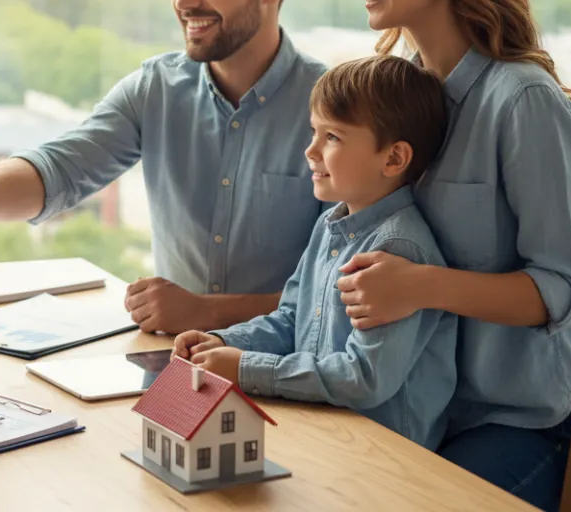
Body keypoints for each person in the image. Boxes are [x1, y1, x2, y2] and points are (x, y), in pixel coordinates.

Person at [336, 0, 571, 511]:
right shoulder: (396, 96)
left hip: (518, 428)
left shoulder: (524, 104)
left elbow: (564, 290)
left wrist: (418, 287)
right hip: (416, 410)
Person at [0, 0, 327, 334]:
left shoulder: (335, 109)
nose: (184, 0)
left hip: (290, 382)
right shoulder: (155, 89)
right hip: (178, 374)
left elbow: (337, 291)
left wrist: (208, 313)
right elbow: (62, 170)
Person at [174, 55, 456, 449]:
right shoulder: (329, 226)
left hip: (384, 456)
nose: (310, 150)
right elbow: (291, 319)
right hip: (321, 431)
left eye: (333, 137)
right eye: (313, 132)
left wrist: (245, 367)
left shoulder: (398, 251)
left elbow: (363, 378)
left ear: (393, 158)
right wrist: (223, 342)